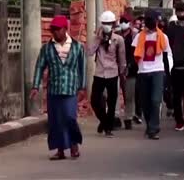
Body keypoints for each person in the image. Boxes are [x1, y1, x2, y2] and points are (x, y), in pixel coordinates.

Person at [30, 16, 86, 160]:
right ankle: (60, 150)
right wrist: (35, 86)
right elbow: (39, 67)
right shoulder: (47, 48)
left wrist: (82, 87)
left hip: (70, 88)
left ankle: (74, 145)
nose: (54, 32)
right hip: (54, 89)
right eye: (52, 30)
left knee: (69, 117)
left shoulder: (77, 47)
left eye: (57, 29)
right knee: (56, 121)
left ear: (64, 29)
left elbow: (82, 68)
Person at [132, 10, 173, 140]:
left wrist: (168, 72)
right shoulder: (139, 36)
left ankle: (153, 128)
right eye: (147, 20)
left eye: (151, 20)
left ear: (156, 21)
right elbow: (134, 53)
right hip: (143, 71)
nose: (149, 22)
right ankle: (150, 125)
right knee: (145, 102)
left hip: (157, 71)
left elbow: (168, 55)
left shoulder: (163, 37)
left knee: (155, 100)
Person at [88, 11, 126, 138]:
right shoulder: (97, 38)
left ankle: (108, 128)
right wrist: (98, 38)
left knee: (111, 101)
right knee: (94, 100)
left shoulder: (118, 39)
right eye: (104, 23)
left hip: (113, 73)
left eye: (109, 23)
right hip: (99, 73)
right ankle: (104, 121)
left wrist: (122, 72)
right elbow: (89, 51)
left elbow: (121, 58)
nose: (107, 26)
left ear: (113, 24)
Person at [166, 2, 184, 131]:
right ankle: (179, 120)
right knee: (176, 94)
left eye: (183, 11)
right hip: (174, 65)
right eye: (179, 11)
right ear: (176, 12)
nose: (181, 13)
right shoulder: (171, 27)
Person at [118, 14, 139, 130]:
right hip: (117, 69)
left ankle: (128, 118)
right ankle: (115, 117)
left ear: (130, 23)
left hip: (131, 69)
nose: (123, 23)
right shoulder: (116, 34)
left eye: (125, 21)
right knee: (114, 94)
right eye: (121, 21)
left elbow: (136, 52)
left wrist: (129, 65)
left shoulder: (135, 35)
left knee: (129, 95)